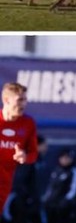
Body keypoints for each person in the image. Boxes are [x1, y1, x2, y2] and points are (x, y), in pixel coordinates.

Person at [0, 83, 38, 212]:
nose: (23, 104)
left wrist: (24, 157)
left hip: (6, 184)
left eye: (25, 99)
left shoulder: (28, 123)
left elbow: (33, 154)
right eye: (20, 100)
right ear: (6, 100)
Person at [42, 148, 76, 223]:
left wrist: (65, 201)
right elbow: (51, 187)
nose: (65, 159)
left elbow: (73, 189)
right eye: (63, 157)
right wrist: (46, 199)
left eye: (67, 157)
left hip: (65, 208)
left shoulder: (73, 171)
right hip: (52, 205)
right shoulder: (56, 171)